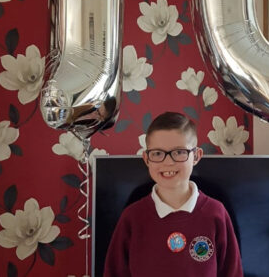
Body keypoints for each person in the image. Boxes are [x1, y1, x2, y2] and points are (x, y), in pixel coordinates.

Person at [103, 112, 243, 277]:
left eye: (179, 152)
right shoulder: (132, 217)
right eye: (157, 153)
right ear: (146, 159)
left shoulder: (216, 213)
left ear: (196, 156)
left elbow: (232, 273)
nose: (168, 162)